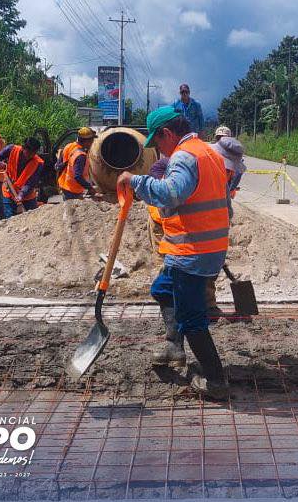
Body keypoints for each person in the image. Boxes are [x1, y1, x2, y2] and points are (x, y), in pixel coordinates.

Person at [117, 106, 229, 399]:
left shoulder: (184, 156)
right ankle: (173, 345)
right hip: (206, 247)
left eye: (157, 142)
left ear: (168, 133)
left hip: (191, 251)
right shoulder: (210, 153)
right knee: (163, 289)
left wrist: (135, 181)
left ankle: (216, 380)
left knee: (192, 318)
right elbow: (225, 204)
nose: (158, 150)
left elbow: (172, 193)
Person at [204, 136, 248, 320]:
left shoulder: (220, 176)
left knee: (208, 270)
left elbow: (226, 208)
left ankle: (208, 306)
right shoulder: (198, 168)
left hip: (210, 231)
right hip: (184, 231)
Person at [0, 137, 44, 218]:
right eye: (29, 153)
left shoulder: (38, 163)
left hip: (28, 196)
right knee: (9, 219)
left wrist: (21, 194)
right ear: (23, 148)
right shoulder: (11, 149)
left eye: (33, 153)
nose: (30, 156)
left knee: (33, 219)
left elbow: (31, 183)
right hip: (8, 191)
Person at [56, 127, 98, 200]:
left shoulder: (69, 146)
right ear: (87, 141)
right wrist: (90, 188)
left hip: (65, 185)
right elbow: (78, 176)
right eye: (92, 140)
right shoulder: (80, 156)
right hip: (72, 190)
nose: (92, 143)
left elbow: (60, 165)